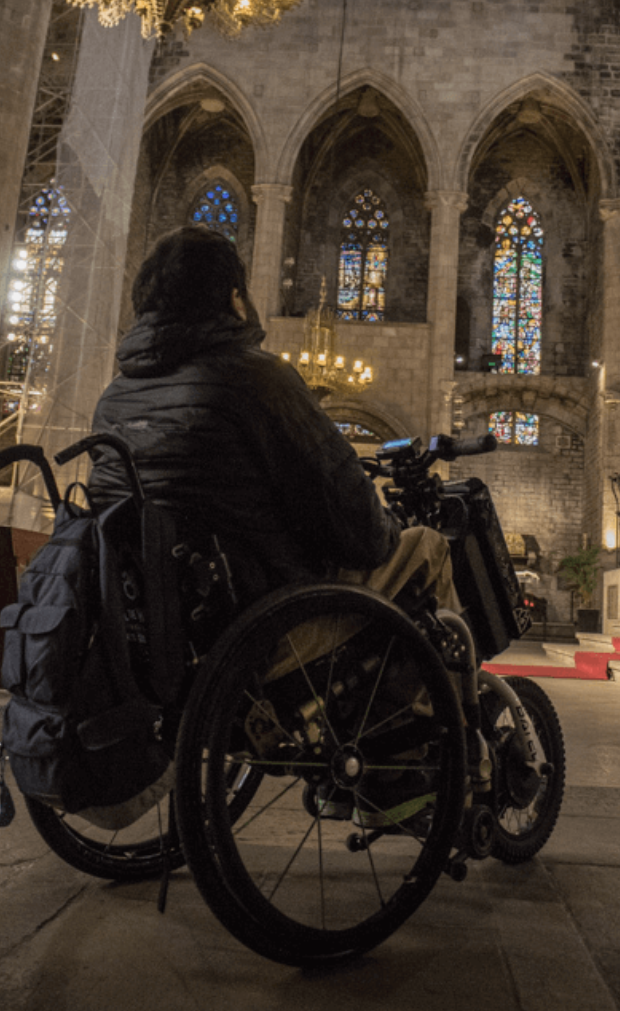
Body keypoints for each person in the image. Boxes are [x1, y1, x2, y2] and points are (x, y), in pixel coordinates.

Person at [88, 226, 459, 822]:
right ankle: (416, 766)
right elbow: (362, 532)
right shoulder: (256, 379)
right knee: (425, 551)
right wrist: (381, 530)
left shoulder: (114, 398)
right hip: (256, 635)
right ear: (235, 298)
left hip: (151, 638)